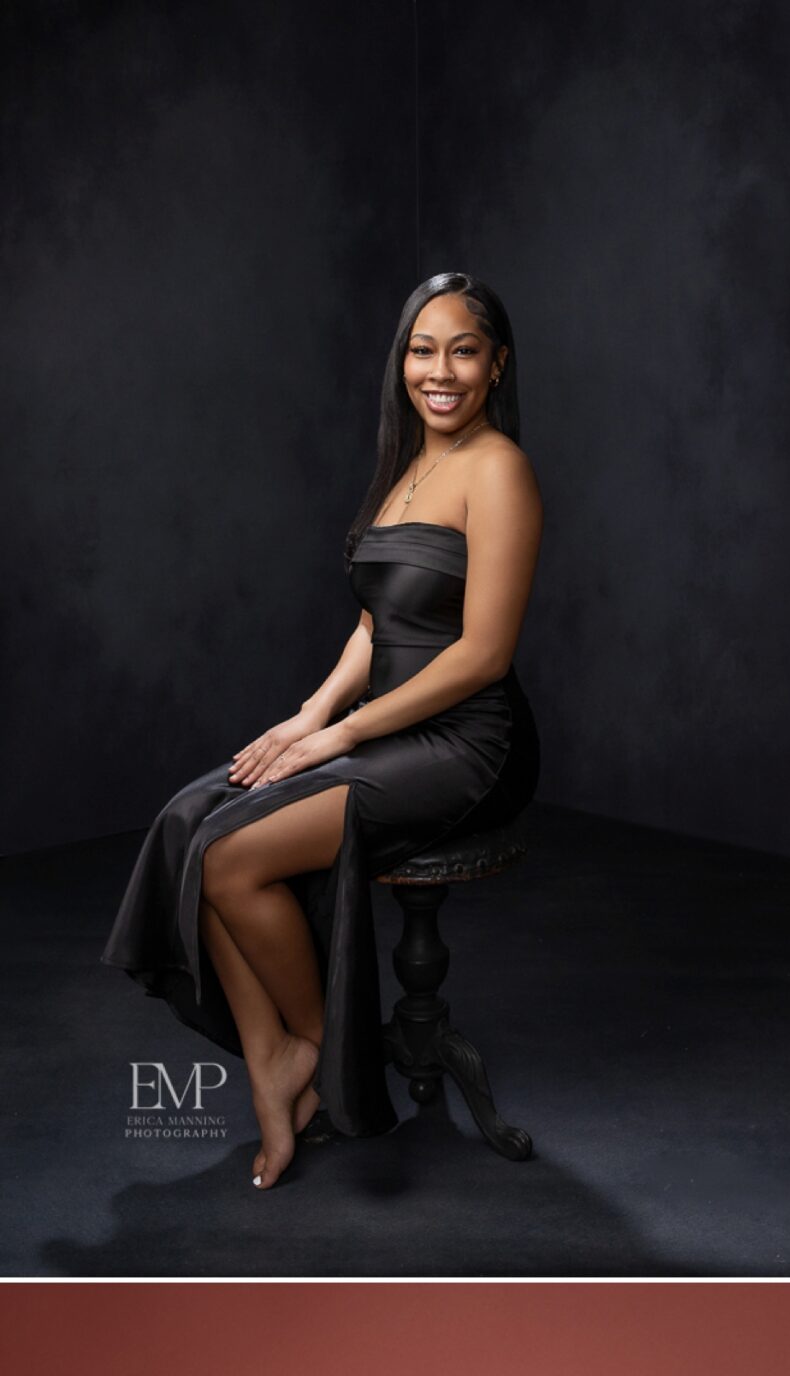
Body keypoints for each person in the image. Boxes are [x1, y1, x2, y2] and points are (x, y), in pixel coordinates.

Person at [104, 273, 542, 1188]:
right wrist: (308, 714)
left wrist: (338, 739)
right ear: (402, 361)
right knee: (196, 819)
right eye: (423, 349)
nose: (441, 370)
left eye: (463, 349)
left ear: (496, 364)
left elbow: (480, 657)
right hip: (386, 725)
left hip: (468, 743)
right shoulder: (407, 464)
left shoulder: (498, 467)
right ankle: (276, 1059)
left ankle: (313, 1045)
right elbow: (376, 625)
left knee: (233, 856)